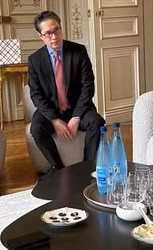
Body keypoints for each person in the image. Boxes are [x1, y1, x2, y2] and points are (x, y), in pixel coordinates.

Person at [28, 10, 103, 178]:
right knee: (37, 128)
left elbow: (87, 87)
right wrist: (54, 120)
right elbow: (36, 94)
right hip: (51, 109)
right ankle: (58, 169)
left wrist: (76, 117)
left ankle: (87, 166)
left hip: (77, 106)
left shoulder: (78, 51)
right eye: (48, 33)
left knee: (96, 122)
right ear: (41, 36)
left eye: (57, 30)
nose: (54, 37)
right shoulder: (35, 60)